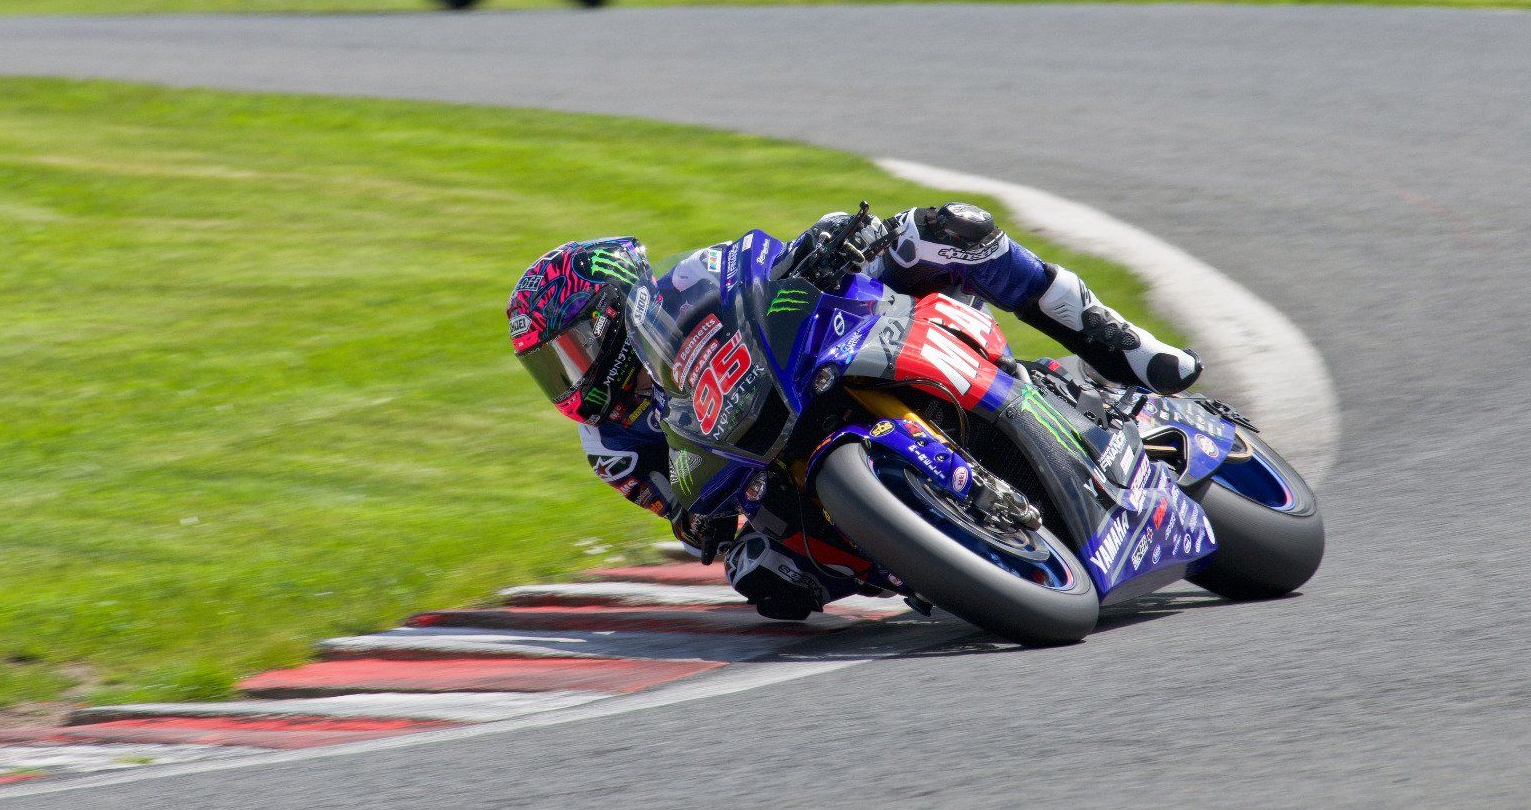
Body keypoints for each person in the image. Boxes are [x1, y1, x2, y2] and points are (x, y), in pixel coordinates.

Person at [506, 204, 1201, 620]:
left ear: (612, 311)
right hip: (776, 461)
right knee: (766, 580)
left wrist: (832, 241)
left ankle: (1119, 345)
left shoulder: (685, 288)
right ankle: (928, 558)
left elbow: (757, 277)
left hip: (847, 340)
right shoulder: (610, 444)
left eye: (571, 350)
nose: (569, 378)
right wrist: (716, 527)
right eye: (550, 369)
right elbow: (690, 519)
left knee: (944, 228)